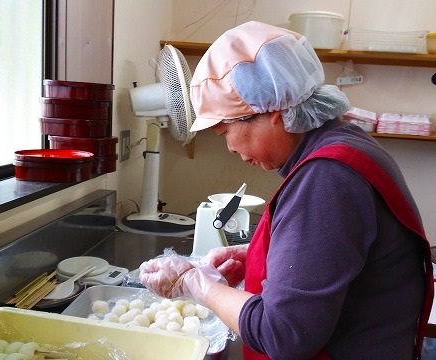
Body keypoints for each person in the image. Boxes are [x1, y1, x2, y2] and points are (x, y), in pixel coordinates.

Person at [139, 21, 434, 360]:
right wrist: (265, 255)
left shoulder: (327, 177)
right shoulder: (348, 144)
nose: (231, 149)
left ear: (272, 110)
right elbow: (341, 251)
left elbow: (284, 334)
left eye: (224, 134)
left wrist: (197, 284)